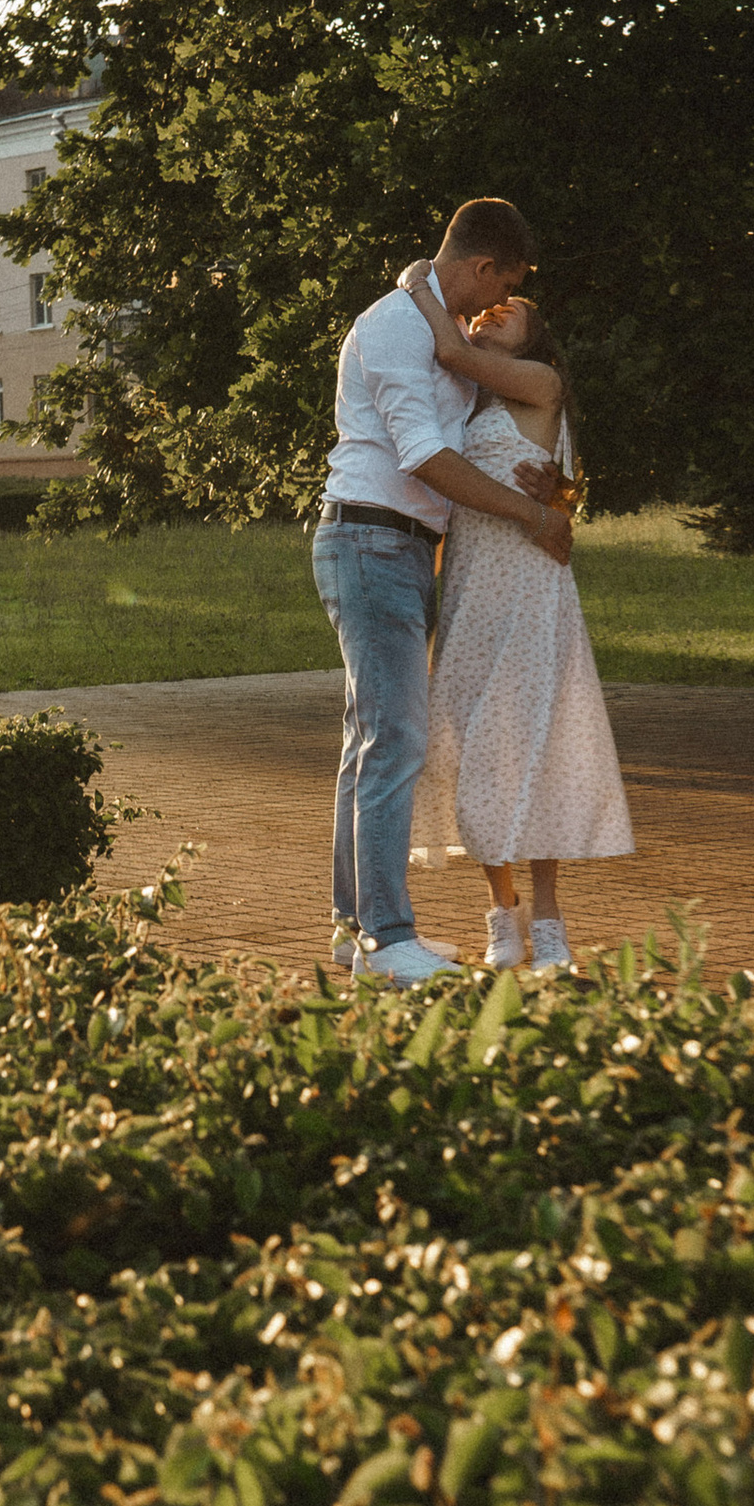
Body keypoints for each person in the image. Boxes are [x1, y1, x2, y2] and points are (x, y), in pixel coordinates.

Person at [313, 198, 571, 985]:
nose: (493, 306)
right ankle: (387, 942)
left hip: (399, 549)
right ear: (485, 264)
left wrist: (555, 488)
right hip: (370, 538)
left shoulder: (435, 330)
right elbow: (424, 454)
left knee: (370, 744)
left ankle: (353, 929)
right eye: (501, 285)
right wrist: (532, 514)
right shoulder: (395, 327)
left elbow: (481, 423)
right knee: (394, 743)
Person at [400, 262, 633, 973]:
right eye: (488, 307)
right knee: (474, 751)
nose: (495, 311)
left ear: (538, 339)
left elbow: (449, 350)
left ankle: (551, 916)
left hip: (533, 590)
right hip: (472, 590)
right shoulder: (461, 404)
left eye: (514, 308)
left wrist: (417, 291)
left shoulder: (542, 386)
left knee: (539, 746)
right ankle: (501, 913)